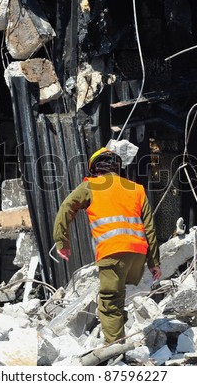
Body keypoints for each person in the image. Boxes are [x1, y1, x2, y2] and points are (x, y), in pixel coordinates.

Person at [53, 147, 161, 345]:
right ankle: (120, 337)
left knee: (109, 301)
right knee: (118, 296)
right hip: (137, 253)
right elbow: (150, 227)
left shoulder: (91, 186)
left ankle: (114, 351)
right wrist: (154, 262)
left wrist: (62, 241)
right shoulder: (136, 188)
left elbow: (66, 207)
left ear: (95, 168)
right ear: (117, 166)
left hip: (112, 251)